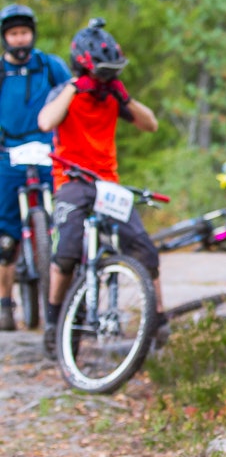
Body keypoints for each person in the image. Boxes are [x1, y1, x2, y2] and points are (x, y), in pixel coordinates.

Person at [37, 18, 163, 358]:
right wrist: (74, 88)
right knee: (65, 253)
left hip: (107, 184)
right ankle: (54, 321)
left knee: (145, 249)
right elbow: (46, 122)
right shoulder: (66, 93)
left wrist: (125, 97)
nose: (104, 81)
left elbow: (150, 124)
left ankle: (159, 320)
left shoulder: (112, 96)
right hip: (71, 180)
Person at [0, 4, 72, 331]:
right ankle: (5, 303)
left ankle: (64, 297)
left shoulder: (49, 66)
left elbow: (72, 98)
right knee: (6, 239)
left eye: (24, 33)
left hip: (48, 150)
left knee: (66, 216)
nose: (20, 39)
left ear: (32, 34)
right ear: (5, 38)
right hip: (8, 153)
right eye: (14, 34)